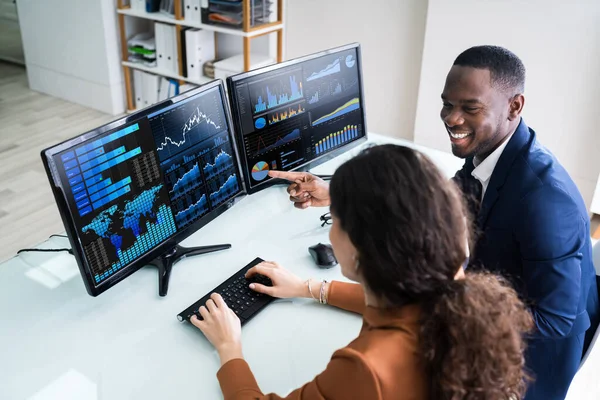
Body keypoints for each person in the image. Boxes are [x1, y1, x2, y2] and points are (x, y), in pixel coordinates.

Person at [269, 45, 600, 400]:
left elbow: (558, 320)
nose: (451, 118)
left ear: (515, 106)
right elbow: (435, 201)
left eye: (469, 108)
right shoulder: (490, 154)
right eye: (447, 104)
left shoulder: (546, 200)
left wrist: (453, 305)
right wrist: (341, 193)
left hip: (524, 370)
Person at [191, 145, 534, 399]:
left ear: (362, 249)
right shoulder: (457, 287)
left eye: (336, 220)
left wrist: (229, 348)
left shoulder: (365, 367)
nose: (329, 232)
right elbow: (409, 305)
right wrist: (310, 288)